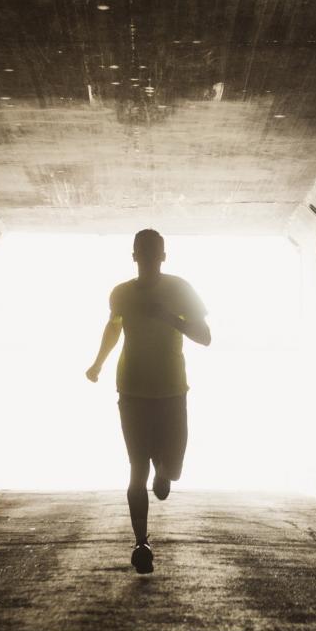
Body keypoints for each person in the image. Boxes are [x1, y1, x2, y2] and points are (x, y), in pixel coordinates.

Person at [84, 229, 211, 574]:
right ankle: (141, 543)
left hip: (172, 392)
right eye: (144, 254)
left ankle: (166, 472)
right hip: (132, 392)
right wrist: (97, 363)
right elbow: (114, 327)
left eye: (155, 255)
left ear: (164, 258)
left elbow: (206, 337)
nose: (150, 261)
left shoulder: (180, 289)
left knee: (174, 470)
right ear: (134, 257)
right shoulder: (121, 293)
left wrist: (169, 317)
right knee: (136, 468)